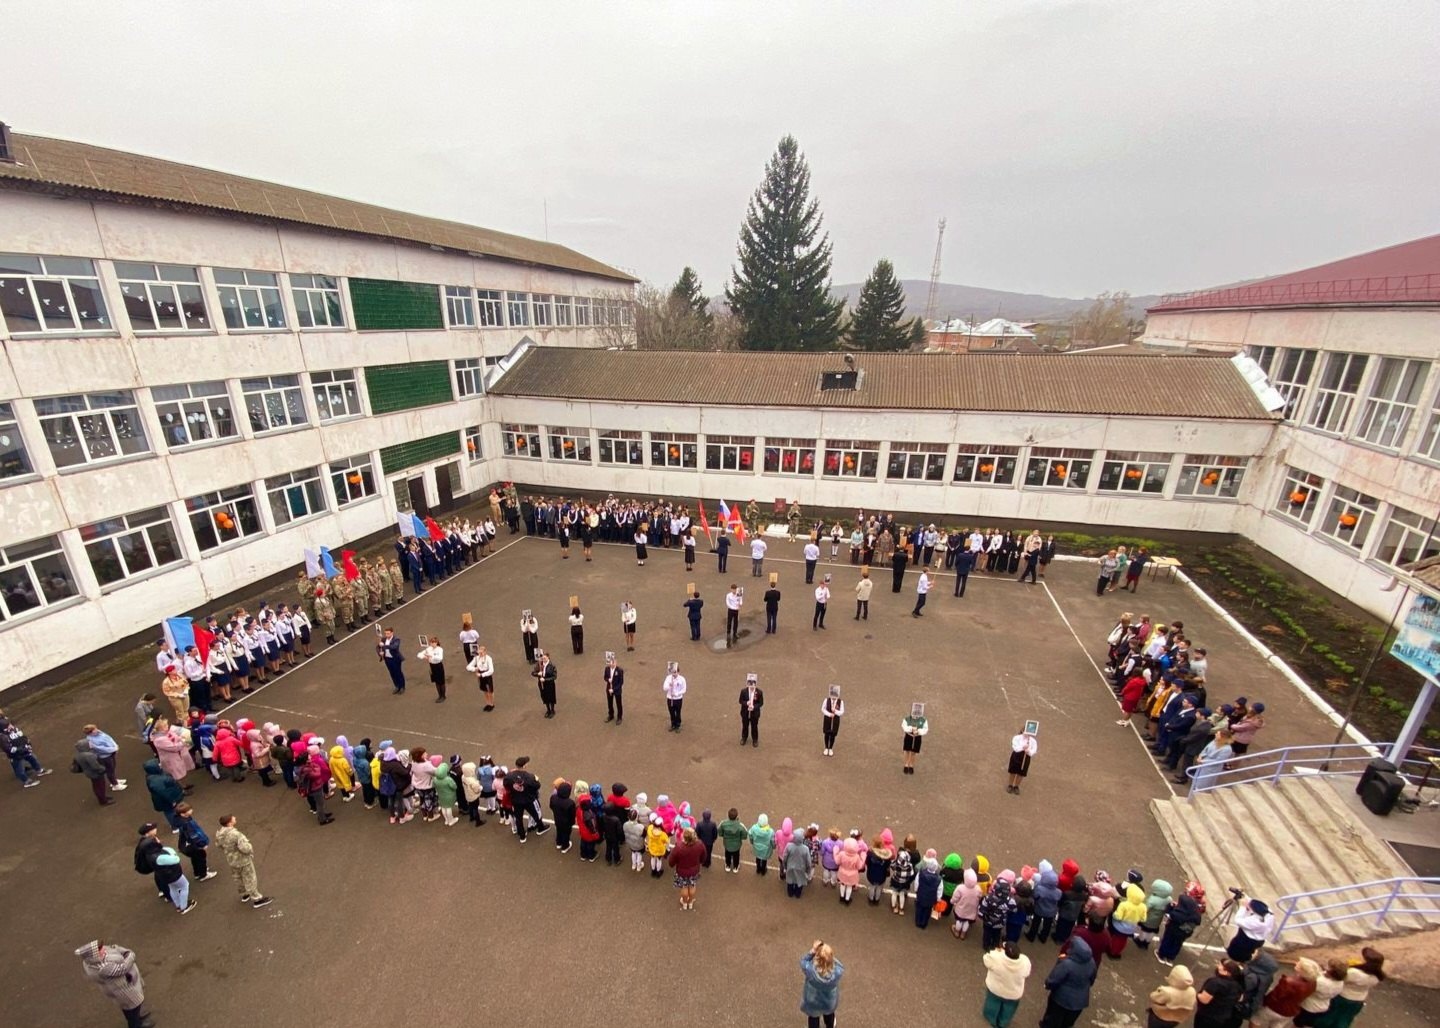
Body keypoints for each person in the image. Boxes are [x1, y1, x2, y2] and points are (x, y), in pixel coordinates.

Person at [75, 939, 153, 1028]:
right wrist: (130, 955)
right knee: (132, 1010)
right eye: (100, 950)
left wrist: (124, 952)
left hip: (123, 989)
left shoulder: (89, 961)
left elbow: (115, 948)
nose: (104, 949)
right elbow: (124, 968)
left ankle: (138, 1018)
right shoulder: (103, 969)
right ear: (94, 956)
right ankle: (137, 1025)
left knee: (130, 1009)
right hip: (125, 991)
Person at [1313, 948, 1384, 1028]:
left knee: (1329, 1017)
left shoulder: (1354, 973)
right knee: (1345, 1019)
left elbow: (1340, 978)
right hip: (1359, 1000)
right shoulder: (1377, 977)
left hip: (1343, 997)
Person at [214, 814, 272, 908]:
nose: (235, 818)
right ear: (229, 823)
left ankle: (244, 894)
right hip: (243, 860)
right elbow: (245, 848)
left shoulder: (219, 833)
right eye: (233, 818)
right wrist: (250, 851)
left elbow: (218, 845)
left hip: (231, 860)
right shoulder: (236, 834)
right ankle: (257, 899)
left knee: (238, 878)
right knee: (250, 878)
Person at [1039, 936, 1095, 1028]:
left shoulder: (1067, 963)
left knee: (1052, 1019)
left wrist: (1047, 984)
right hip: (1080, 1001)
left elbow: (1055, 978)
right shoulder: (1091, 962)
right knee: (1067, 1023)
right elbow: (1092, 979)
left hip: (1061, 999)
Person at [1252, 957, 1318, 1028]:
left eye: (1299, 964)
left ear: (1303, 971)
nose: (1296, 963)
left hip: (1274, 1008)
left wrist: (1263, 1003)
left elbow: (1275, 996)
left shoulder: (1288, 982)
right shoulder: (1313, 983)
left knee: (1256, 1020)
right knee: (1277, 1026)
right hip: (1290, 1012)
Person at [982, 941, 1033, 1028]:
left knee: (992, 1004)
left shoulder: (996, 958)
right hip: (1013, 994)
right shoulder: (1024, 962)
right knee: (1008, 1009)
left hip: (996, 990)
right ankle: (1003, 1022)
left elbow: (986, 959)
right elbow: (1027, 973)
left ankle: (991, 1018)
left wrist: (997, 951)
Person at [799, 941, 844, 1028]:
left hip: (813, 1001)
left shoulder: (810, 971)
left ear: (817, 957)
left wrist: (812, 951)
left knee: (813, 1018)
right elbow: (840, 966)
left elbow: (803, 961)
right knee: (829, 1015)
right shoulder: (837, 972)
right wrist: (828, 957)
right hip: (829, 1001)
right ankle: (830, 1025)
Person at [1, 714, 52, 788]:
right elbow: (8, 749)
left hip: (24, 749)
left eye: (10, 724)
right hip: (15, 756)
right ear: (4, 729)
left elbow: (22, 737)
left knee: (32, 758)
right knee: (19, 769)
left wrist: (27, 743)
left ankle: (39, 770)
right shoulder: (3, 738)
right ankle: (27, 781)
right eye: (8, 725)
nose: (11, 726)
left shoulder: (14, 729)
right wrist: (19, 749)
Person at [1295, 959, 1348, 1027]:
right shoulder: (1340, 982)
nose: (1326, 967)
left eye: (1328, 966)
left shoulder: (1320, 982)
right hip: (1323, 1006)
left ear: (1331, 971)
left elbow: (1304, 985)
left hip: (1309, 1007)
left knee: (1299, 1023)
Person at [1194, 960, 1244, 1028]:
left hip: (1207, 1016)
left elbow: (1204, 1000)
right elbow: (1240, 999)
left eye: (1221, 966)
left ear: (1226, 972)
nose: (1218, 966)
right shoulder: (1237, 985)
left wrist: (1197, 994)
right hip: (1222, 1018)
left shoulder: (1214, 982)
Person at [175, 802, 217, 882]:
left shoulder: (181, 821)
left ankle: (197, 873)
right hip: (195, 845)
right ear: (183, 814)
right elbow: (194, 836)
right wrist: (202, 844)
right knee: (201, 857)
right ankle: (203, 874)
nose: (191, 810)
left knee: (195, 858)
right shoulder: (187, 823)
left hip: (187, 846)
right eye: (189, 810)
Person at [668, 825, 707, 910]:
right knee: (692, 886)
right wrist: (700, 862)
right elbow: (704, 856)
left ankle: (685, 903)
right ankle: (691, 902)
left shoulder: (679, 847)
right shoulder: (699, 844)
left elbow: (671, 860)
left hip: (682, 872)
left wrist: (671, 865)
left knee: (684, 887)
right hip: (694, 871)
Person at [73, 739, 115, 805]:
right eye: (89, 743)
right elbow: (95, 766)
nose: (90, 744)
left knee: (96, 786)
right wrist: (103, 769)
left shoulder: (79, 754)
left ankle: (103, 797)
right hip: (96, 773)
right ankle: (103, 801)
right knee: (100, 786)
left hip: (89, 772)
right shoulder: (89, 756)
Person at [84, 724, 126, 792]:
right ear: (90, 733)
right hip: (105, 757)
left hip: (111, 753)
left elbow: (109, 738)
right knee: (110, 770)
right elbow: (101, 749)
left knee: (113, 767)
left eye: (96, 728)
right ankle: (115, 785)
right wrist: (114, 749)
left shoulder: (100, 733)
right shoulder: (90, 741)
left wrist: (115, 746)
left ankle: (114, 780)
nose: (96, 730)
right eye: (94, 730)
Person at [784, 827, 813, 898]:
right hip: (801, 868)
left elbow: (785, 858)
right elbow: (808, 862)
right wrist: (808, 871)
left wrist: (785, 866)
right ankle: (797, 894)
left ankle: (790, 893)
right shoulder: (805, 849)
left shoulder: (789, 846)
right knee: (799, 882)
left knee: (790, 882)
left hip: (790, 867)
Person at [1007, 727, 1037, 794]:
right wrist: (1023, 747)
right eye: (1025, 731)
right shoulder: (1017, 738)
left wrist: (1028, 751)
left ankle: (1016, 786)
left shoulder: (1033, 741)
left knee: (1021, 773)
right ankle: (1010, 785)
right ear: (1023, 731)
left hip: (1026, 757)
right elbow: (1015, 748)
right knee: (1013, 771)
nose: (1027, 733)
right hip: (1016, 756)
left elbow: (1034, 750)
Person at [901, 704, 929, 774]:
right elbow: (904, 727)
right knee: (907, 751)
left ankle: (911, 765)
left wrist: (918, 731)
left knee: (913, 752)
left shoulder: (923, 720)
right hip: (909, 736)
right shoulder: (907, 719)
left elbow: (925, 729)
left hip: (917, 737)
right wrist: (911, 729)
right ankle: (906, 764)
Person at [719, 808, 748, 873]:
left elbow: (720, 832)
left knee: (727, 854)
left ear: (728, 816)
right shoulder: (740, 825)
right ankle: (736, 866)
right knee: (736, 855)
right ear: (737, 816)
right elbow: (745, 835)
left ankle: (728, 865)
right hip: (737, 845)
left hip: (727, 844)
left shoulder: (723, 824)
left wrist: (724, 835)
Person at [418, 636, 446, 702]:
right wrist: (424, 657)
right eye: (431, 643)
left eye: (434, 642)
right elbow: (419, 655)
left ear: (437, 643)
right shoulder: (428, 649)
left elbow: (440, 658)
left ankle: (443, 696)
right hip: (432, 666)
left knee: (441, 682)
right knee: (436, 681)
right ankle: (439, 695)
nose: (432, 644)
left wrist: (431, 656)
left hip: (438, 666)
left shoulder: (440, 649)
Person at [377, 628, 405, 694]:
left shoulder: (396, 639)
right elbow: (378, 647)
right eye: (386, 633)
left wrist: (384, 645)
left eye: (388, 633)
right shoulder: (383, 639)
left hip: (395, 659)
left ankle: (402, 687)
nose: (387, 635)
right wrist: (380, 653)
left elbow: (394, 647)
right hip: (387, 659)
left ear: (392, 633)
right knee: (392, 673)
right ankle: (397, 686)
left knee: (398, 673)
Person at [468, 645, 495, 711]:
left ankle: (492, 704)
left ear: (485, 652)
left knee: (490, 690)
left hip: (487, 675)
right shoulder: (476, 658)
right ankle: (488, 703)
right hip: (480, 675)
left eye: (482, 653)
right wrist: (474, 669)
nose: (480, 654)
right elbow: (468, 667)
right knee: (484, 690)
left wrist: (482, 675)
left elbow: (491, 670)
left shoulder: (488, 658)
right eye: (479, 653)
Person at [740, 675, 764, 747]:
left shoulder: (759, 692)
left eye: (753, 684)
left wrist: (754, 707)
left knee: (754, 726)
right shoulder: (743, 691)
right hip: (745, 713)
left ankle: (755, 739)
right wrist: (746, 703)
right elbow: (740, 701)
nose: (751, 686)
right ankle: (744, 737)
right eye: (750, 684)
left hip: (754, 713)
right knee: (745, 726)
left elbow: (761, 703)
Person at [532, 651, 558, 718]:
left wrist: (545, 679)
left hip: (550, 684)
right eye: (542, 658)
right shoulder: (539, 665)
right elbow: (533, 673)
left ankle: (552, 710)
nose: (543, 659)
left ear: (548, 657)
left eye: (545, 658)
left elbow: (554, 677)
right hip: (542, 684)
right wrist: (538, 674)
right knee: (544, 697)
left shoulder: (552, 666)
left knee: (551, 697)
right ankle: (548, 710)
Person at [664, 663, 687, 731]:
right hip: (670, 698)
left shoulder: (682, 679)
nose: (674, 674)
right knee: (671, 712)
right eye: (673, 672)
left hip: (678, 699)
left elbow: (684, 690)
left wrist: (677, 694)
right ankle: (673, 724)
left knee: (678, 712)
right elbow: (664, 688)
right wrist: (669, 686)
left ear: (678, 672)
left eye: (675, 672)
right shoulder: (668, 678)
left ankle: (678, 725)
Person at [821, 685, 844, 756]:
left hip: (835, 721)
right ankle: (826, 748)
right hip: (827, 720)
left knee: (833, 734)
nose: (833, 698)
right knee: (827, 733)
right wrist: (829, 714)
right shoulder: (826, 700)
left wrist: (836, 711)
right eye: (832, 696)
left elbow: (842, 712)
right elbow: (822, 709)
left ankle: (830, 748)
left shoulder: (841, 702)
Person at [604, 653, 624, 725]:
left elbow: (621, 682)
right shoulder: (607, 669)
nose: (611, 664)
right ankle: (611, 715)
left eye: (613, 663)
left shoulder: (619, 670)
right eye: (610, 663)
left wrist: (614, 689)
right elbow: (605, 677)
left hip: (617, 690)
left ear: (615, 662)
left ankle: (619, 717)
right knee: (610, 703)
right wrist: (608, 680)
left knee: (618, 704)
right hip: (609, 689)